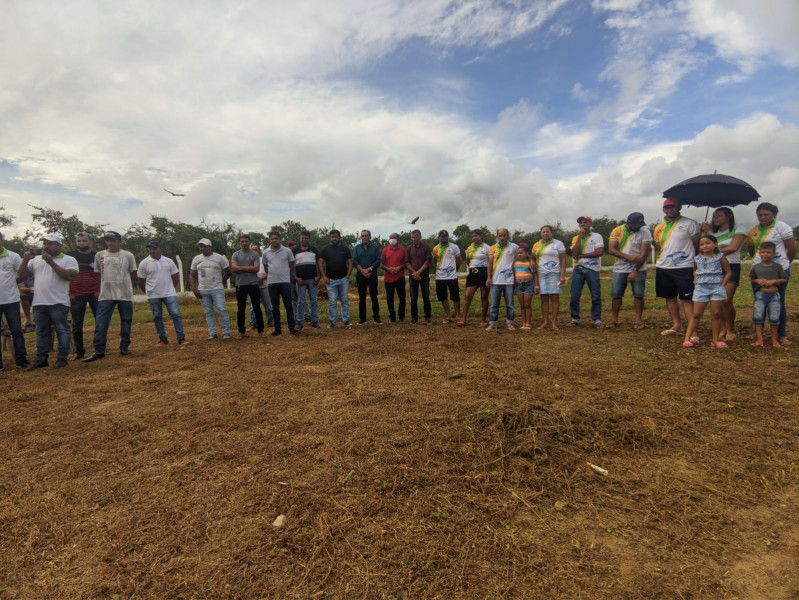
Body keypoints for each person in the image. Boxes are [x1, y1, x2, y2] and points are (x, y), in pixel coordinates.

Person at [16, 234, 78, 370]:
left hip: (59, 302)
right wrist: (25, 260)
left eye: (50, 243)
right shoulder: (37, 260)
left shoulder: (69, 259)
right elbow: (21, 277)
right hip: (39, 302)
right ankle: (41, 359)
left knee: (62, 330)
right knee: (41, 331)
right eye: (45, 243)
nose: (46, 246)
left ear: (59, 245)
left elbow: (69, 276)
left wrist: (51, 262)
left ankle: (62, 358)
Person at [83, 231, 138, 362]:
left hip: (124, 294)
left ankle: (124, 347)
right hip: (106, 294)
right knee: (101, 323)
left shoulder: (128, 255)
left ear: (119, 241)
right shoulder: (99, 255)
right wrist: (98, 290)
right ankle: (99, 350)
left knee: (126, 321)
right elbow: (97, 274)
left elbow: (133, 273)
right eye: (107, 240)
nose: (110, 243)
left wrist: (126, 285)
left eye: (112, 240)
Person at [747, 202, 796, 346]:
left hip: (779, 270)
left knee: (778, 302)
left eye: (766, 214)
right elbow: (751, 251)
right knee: (759, 301)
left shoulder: (782, 227)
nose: (762, 217)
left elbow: (792, 249)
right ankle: (758, 334)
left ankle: (781, 335)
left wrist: (785, 264)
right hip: (758, 270)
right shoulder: (753, 231)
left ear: (773, 214)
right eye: (760, 214)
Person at [653, 198, 701, 336]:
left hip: (684, 266)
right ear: (663, 210)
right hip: (664, 266)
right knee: (669, 297)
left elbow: (697, 245)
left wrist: (693, 264)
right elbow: (659, 246)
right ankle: (677, 325)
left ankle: (693, 331)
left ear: (679, 207)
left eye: (672, 207)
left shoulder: (689, 223)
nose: (670, 210)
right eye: (667, 208)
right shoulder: (658, 228)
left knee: (687, 299)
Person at [700, 208, 746, 340]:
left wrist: (714, 254)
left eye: (719, 215)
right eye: (714, 216)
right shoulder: (711, 232)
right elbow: (704, 247)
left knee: (726, 299)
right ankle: (722, 328)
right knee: (717, 300)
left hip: (731, 266)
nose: (715, 218)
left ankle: (730, 329)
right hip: (714, 267)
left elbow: (733, 247)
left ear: (729, 216)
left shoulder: (738, 229)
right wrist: (703, 232)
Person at [683, 234, 731, 349]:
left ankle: (715, 340)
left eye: (708, 243)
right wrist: (696, 277)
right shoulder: (697, 258)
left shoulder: (721, 257)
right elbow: (694, 269)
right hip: (701, 288)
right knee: (696, 314)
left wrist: (722, 285)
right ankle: (687, 339)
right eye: (702, 244)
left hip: (716, 288)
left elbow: (728, 272)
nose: (704, 246)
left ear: (715, 245)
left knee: (716, 313)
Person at [137, 241, 187, 346]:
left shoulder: (168, 261)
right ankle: (163, 339)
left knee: (175, 314)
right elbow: (141, 280)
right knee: (157, 316)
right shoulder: (144, 263)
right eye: (150, 249)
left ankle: (181, 337)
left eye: (154, 248)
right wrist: (148, 291)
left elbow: (175, 276)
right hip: (153, 295)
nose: (152, 251)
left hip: (169, 293)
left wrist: (171, 288)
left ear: (160, 249)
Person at [607, 212, 652, 329]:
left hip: (639, 268)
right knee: (616, 295)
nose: (638, 227)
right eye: (635, 224)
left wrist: (635, 270)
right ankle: (614, 319)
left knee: (638, 294)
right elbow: (611, 249)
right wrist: (629, 257)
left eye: (640, 224)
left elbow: (644, 254)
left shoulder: (645, 232)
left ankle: (638, 320)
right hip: (619, 268)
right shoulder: (617, 230)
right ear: (628, 223)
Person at [66, 231, 101, 359]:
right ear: (76, 242)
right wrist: (70, 292)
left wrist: (98, 290)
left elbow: (99, 275)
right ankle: (79, 352)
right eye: (79, 241)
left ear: (90, 242)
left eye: (84, 241)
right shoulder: (70, 256)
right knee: (77, 325)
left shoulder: (96, 256)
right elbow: (67, 276)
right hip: (76, 294)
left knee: (100, 322)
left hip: (94, 294)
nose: (82, 243)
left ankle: (100, 349)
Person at [190, 238, 232, 341]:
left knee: (222, 310)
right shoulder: (197, 259)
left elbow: (228, 272)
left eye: (205, 246)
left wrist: (221, 281)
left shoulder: (219, 258)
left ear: (210, 247)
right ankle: (212, 333)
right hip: (203, 290)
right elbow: (192, 275)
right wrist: (194, 289)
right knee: (208, 312)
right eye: (201, 246)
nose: (203, 248)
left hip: (217, 289)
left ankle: (226, 332)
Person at [749, 241, 788, 348]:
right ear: (759, 253)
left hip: (774, 295)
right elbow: (752, 279)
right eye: (763, 252)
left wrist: (773, 282)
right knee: (758, 316)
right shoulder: (756, 267)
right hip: (761, 295)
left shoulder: (778, 267)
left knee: (775, 317)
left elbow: (784, 279)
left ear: (774, 254)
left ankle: (774, 339)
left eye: (769, 252)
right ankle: (759, 339)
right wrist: (758, 281)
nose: (765, 254)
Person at [568, 216, 604, 328]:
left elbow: (599, 252)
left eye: (585, 222)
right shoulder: (575, 238)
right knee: (574, 295)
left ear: (590, 224)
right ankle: (575, 318)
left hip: (592, 269)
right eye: (581, 223)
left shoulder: (597, 236)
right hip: (578, 269)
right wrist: (579, 237)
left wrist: (583, 255)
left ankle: (597, 319)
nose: (583, 224)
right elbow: (574, 253)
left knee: (595, 295)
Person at [0, 231, 29, 370]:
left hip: (11, 300)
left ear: (2, 240)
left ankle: (21, 360)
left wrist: (13, 281)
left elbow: (23, 275)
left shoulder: (13, 256)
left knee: (16, 331)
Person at [263, 231, 301, 336]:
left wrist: (283, 274)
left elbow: (291, 266)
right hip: (272, 282)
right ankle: (277, 329)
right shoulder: (266, 252)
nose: (274, 240)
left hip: (285, 282)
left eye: (276, 238)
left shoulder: (287, 251)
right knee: (275, 307)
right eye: (272, 239)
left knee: (288, 305)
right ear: (269, 240)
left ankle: (291, 327)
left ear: (280, 239)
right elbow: (266, 268)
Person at [532, 225, 567, 330]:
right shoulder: (536, 245)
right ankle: (546, 322)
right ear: (540, 233)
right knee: (544, 298)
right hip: (541, 274)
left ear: (551, 233)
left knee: (555, 298)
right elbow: (532, 258)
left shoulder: (558, 244)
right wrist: (532, 261)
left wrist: (562, 275)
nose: (545, 234)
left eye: (547, 232)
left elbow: (563, 260)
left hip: (554, 273)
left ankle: (554, 323)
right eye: (543, 232)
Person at [231, 234, 265, 338]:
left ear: (250, 242)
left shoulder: (254, 255)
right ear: (239, 243)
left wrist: (240, 268)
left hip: (253, 283)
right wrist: (249, 268)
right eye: (242, 241)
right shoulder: (236, 254)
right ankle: (241, 331)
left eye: (246, 241)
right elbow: (234, 269)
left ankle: (261, 330)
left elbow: (256, 269)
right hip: (240, 284)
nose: (244, 243)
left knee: (256, 307)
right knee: (240, 308)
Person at [318, 229, 353, 328]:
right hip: (330, 280)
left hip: (343, 279)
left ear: (339, 238)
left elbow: (350, 262)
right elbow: (320, 262)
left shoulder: (345, 249)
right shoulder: (326, 249)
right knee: (332, 302)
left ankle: (346, 320)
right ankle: (332, 322)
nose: (334, 238)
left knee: (344, 300)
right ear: (330, 238)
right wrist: (324, 276)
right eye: (332, 237)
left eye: (336, 237)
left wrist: (348, 276)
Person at [486, 228, 518, 330]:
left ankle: (509, 322)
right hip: (495, 280)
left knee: (510, 304)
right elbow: (490, 264)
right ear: (497, 237)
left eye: (504, 235)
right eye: (500, 236)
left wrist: (530, 261)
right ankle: (493, 323)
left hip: (509, 281)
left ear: (508, 236)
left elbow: (524, 255)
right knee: (494, 304)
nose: (502, 238)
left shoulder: (514, 247)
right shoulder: (492, 248)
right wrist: (488, 277)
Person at [459, 229, 490, 327]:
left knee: (484, 296)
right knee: (468, 295)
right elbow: (468, 261)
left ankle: (483, 320)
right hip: (473, 273)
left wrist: (489, 275)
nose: (474, 238)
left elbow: (491, 262)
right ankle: (463, 319)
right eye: (473, 236)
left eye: (476, 236)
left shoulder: (487, 248)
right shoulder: (469, 248)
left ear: (481, 236)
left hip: (484, 272)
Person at [353, 229, 382, 325]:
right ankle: (362, 318)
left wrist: (369, 269)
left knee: (374, 296)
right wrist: (362, 271)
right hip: (360, 276)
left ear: (370, 237)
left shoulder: (375, 247)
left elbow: (378, 260)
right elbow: (355, 261)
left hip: (372, 275)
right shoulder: (357, 247)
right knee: (362, 297)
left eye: (366, 235)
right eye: (362, 236)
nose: (364, 237)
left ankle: (376, 318)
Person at [432, 230, 462, 324]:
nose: (444, 238)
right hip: (440, 277)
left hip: (452, 276)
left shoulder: (454, 247)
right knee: (443, 297)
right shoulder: (435, 248)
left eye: (446, 236)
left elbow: (459, 261)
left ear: (448, 237)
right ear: (439, 238)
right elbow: (435, 261)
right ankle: (448, 316)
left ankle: (457, 316)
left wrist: (454, 271)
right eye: (442, 236)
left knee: (455, 296)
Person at [292, 231, 320, 329]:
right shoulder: (294, 250)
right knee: (301, 302)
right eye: (302, 238)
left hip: (313, 280)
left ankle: (315, 322)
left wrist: (319, 276)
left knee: (314, 301)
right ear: (299, 239)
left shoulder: (314, 249)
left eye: (306, 238)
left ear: (309, 239)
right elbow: (290, 267)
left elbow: (320, 264)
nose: (304, 240)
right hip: (300, 281)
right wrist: (296, 278)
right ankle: (300, 323)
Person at [405, 229, 432, 325]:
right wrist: (414, 273)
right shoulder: (408, 248)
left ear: (420, 237)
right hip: (413, 277)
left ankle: (428, 317)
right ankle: (414, 318)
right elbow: (407, 262)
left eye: (415, 237)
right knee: (413, 298)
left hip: (424, 276)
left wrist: (419, 272)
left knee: (426, 297)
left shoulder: (426, 247)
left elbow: (428, 261)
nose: (413, 239)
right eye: (412, 237)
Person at [380, 232, 406, 323]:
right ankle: (392, 317)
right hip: (388, 278)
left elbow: (406, 263)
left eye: (394, 238)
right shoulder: (385, 250)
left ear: (398, 239)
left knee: (402, 298)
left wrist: (399, 268)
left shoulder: (403, 249)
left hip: (400, 277)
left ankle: (401, 316)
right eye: (390, 238)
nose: (392, 239)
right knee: (390, 298)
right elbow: (381, 265)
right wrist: (388, 269)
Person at [248, 245, 275, 330]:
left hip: (265, 285)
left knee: (268, 306)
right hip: (253, 286)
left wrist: (262, 278)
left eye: (256, 250)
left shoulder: (263, 260)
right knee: (253, 307)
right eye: (253, 250)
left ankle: (270, 322)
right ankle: (253, 323)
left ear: (259, 251)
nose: (254, 251)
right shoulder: (248, 261)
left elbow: (269, 271)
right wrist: (256, 280)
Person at [514, 244, 537, 330]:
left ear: (526, 253)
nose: (519, 255)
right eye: (518, 253)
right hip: (519, 285)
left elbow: (534, 275)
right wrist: (515, 287)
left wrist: (536, 286)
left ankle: (528, 323)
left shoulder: (530, 264)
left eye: (521, 253)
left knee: (527, 304)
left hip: (528, 284)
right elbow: (514, 276)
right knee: (522, 305)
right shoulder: (515, 264)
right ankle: (523, 322)